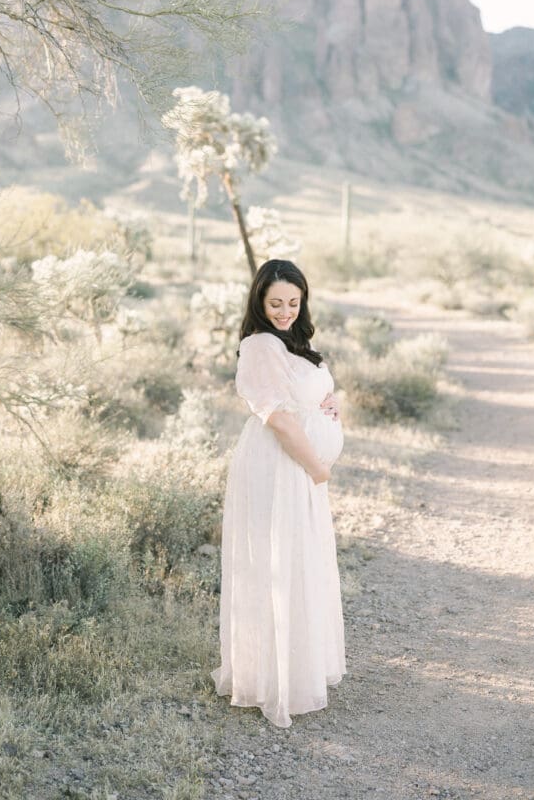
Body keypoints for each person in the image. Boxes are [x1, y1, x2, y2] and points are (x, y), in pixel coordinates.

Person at [211, 258, 346, 729]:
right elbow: (281, 420)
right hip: (281, 464)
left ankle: (294, 667)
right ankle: (273, 680)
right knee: (277, 562)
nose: (286, 310)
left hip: (302, 466)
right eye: (276, 303)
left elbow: (306, 398)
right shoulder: (260, 344)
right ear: (259, 302)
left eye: (294, 301)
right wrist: (316, 467)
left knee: (297, 561)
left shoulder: (292, 342)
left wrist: (327, 406)